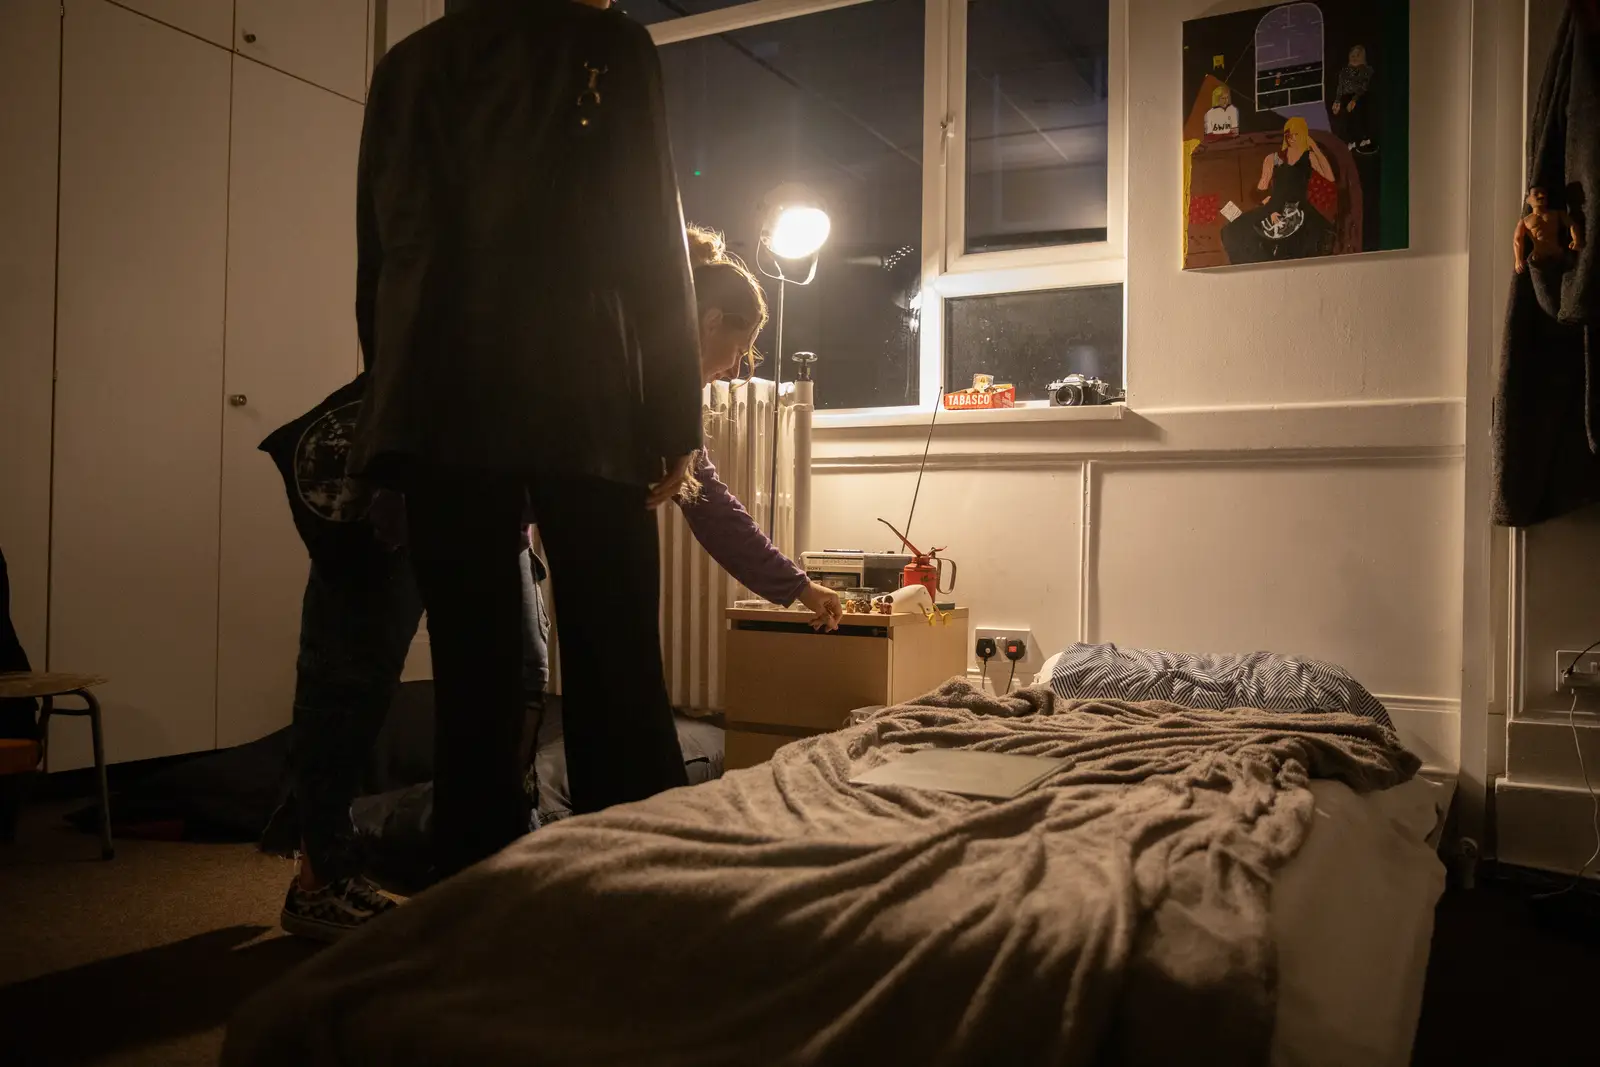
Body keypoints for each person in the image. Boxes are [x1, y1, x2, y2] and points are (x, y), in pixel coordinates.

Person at [351, 0, 714, 881]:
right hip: (580, 382)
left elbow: (379, 254)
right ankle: (631, 874)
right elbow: (650, 242)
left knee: (472, 668)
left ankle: (476, 879)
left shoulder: (408, 63)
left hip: (436, 392)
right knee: (614, 650)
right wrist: (674, 418)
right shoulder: (608, 46)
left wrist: (387, 403)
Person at [1220, 117, 1335, 264]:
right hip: (1273, 206)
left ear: (1303, 135)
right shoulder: (1273, 158)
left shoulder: (1309, 157)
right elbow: (1261, 188)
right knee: (1234, 230)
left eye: (1296, 134)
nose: (1291, 138)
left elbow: (1330, 177)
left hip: (1299, 208)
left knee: (1307, 240)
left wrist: (1315, 147)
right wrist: (1267, 204)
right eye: (1288, 134)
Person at [1331, 45, 1375, 154]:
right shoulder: (1344, 72)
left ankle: (1363, 140)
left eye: (1358, 55)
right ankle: (1349, 142)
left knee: (1359, 117)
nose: (1355, 58)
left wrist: (1354, 100)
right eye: (1353, 55)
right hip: (1346, 98)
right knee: (1346, 119)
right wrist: (1337, 101)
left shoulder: (1366, 70)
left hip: (1360, 98)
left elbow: (1363, 87)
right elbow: (1340, 86)